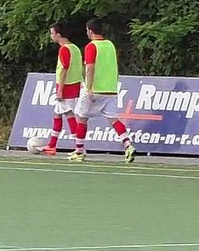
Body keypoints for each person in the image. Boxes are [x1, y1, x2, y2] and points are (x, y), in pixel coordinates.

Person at [71, 19, 136, 164]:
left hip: (96, 89)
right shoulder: (110, 45)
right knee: (113, 119)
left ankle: (79, 151)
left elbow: (90, 68)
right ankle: (128, 145)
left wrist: (88, 88)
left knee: (80, 117)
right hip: (111, 89)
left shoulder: (91, 46)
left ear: (90, 31)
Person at [43, 22, 82, 156]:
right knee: (58, 114)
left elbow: (64, 69)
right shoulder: (75, 48)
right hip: (75, 84)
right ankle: (52, 145)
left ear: (59, 34)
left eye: (52, 33)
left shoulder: (64, 49)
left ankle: (79, 147)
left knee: (68, 113)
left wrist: (60, 90)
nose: (51, 36)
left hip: (66, 85)